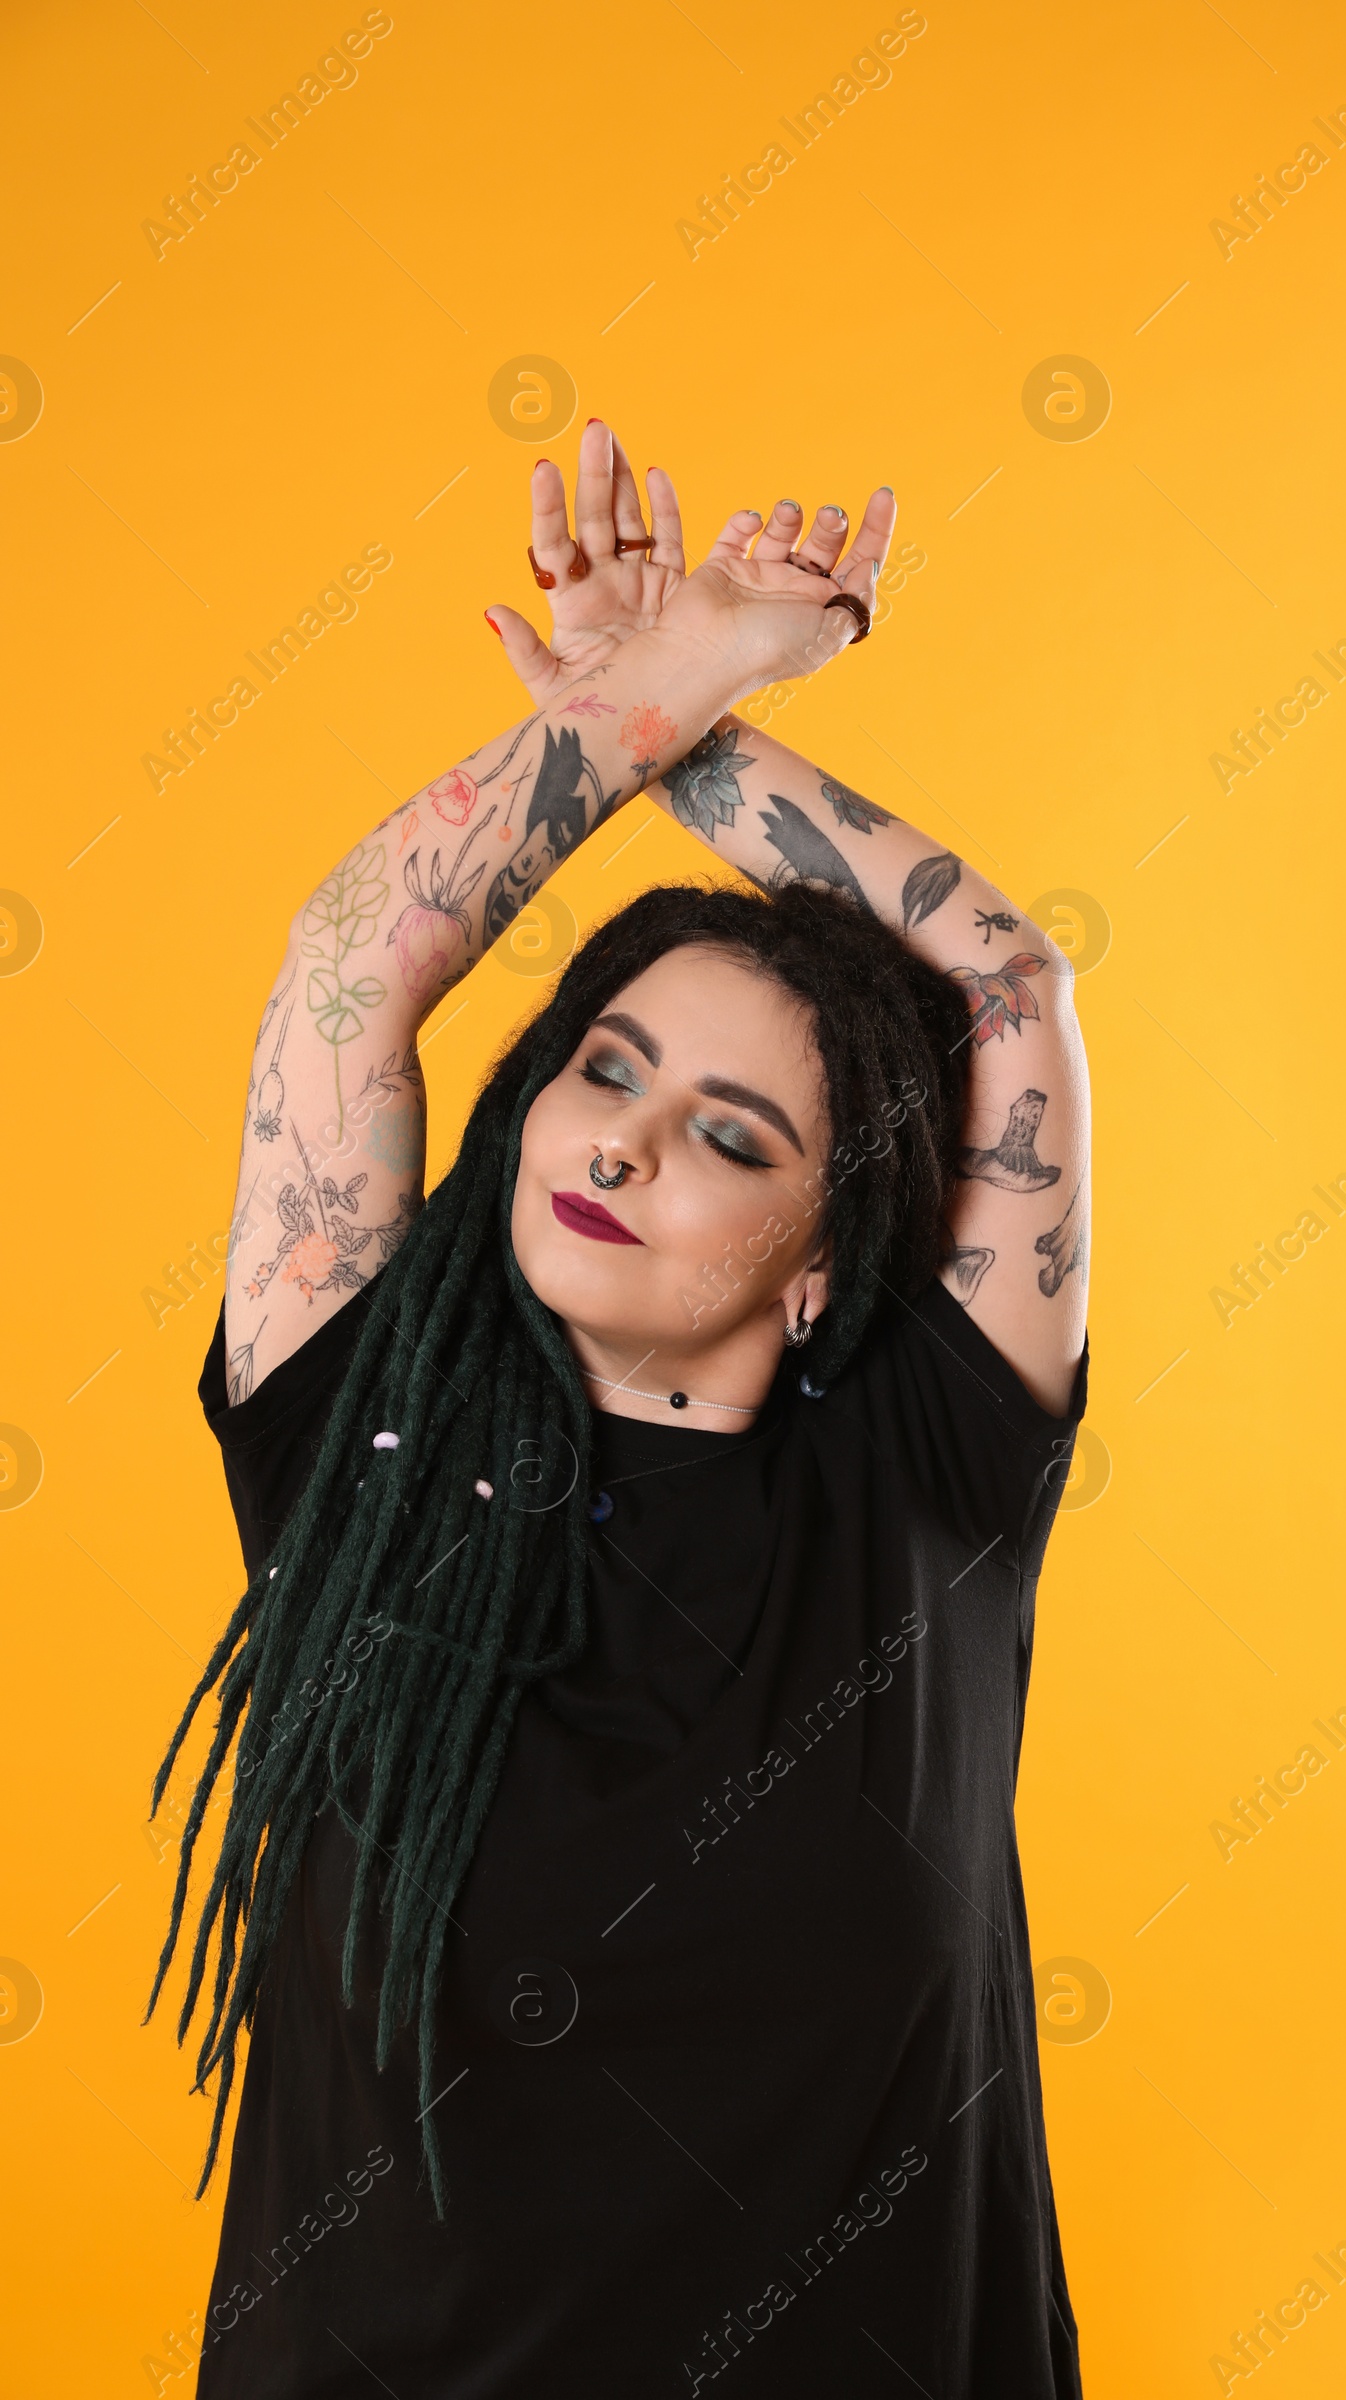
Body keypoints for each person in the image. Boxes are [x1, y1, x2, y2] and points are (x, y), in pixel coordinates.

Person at [151, 420, 1092, 2396]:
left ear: (826, 1257)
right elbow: (350, 968)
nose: (627, 1143)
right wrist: (664, 682)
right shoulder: (356, 1423)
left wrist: (695, 708)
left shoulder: (925, 1480)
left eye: (729, 1133)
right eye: (606, 1068)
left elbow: (1005, 985)